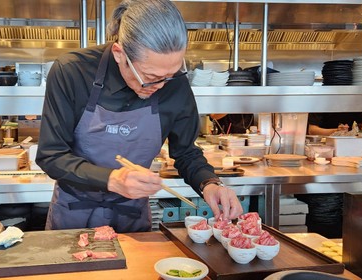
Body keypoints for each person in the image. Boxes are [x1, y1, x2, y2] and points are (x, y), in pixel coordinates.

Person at [36, 0, 243, 233]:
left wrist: (209, 184)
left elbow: (186, 152)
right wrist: (112, 179)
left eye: (170, 75)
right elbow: (51, 155)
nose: (161, 85)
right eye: (150, 76)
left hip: (132, 217)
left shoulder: (174, 83)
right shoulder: (72, 71)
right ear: (119, 53)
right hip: (73, 214)